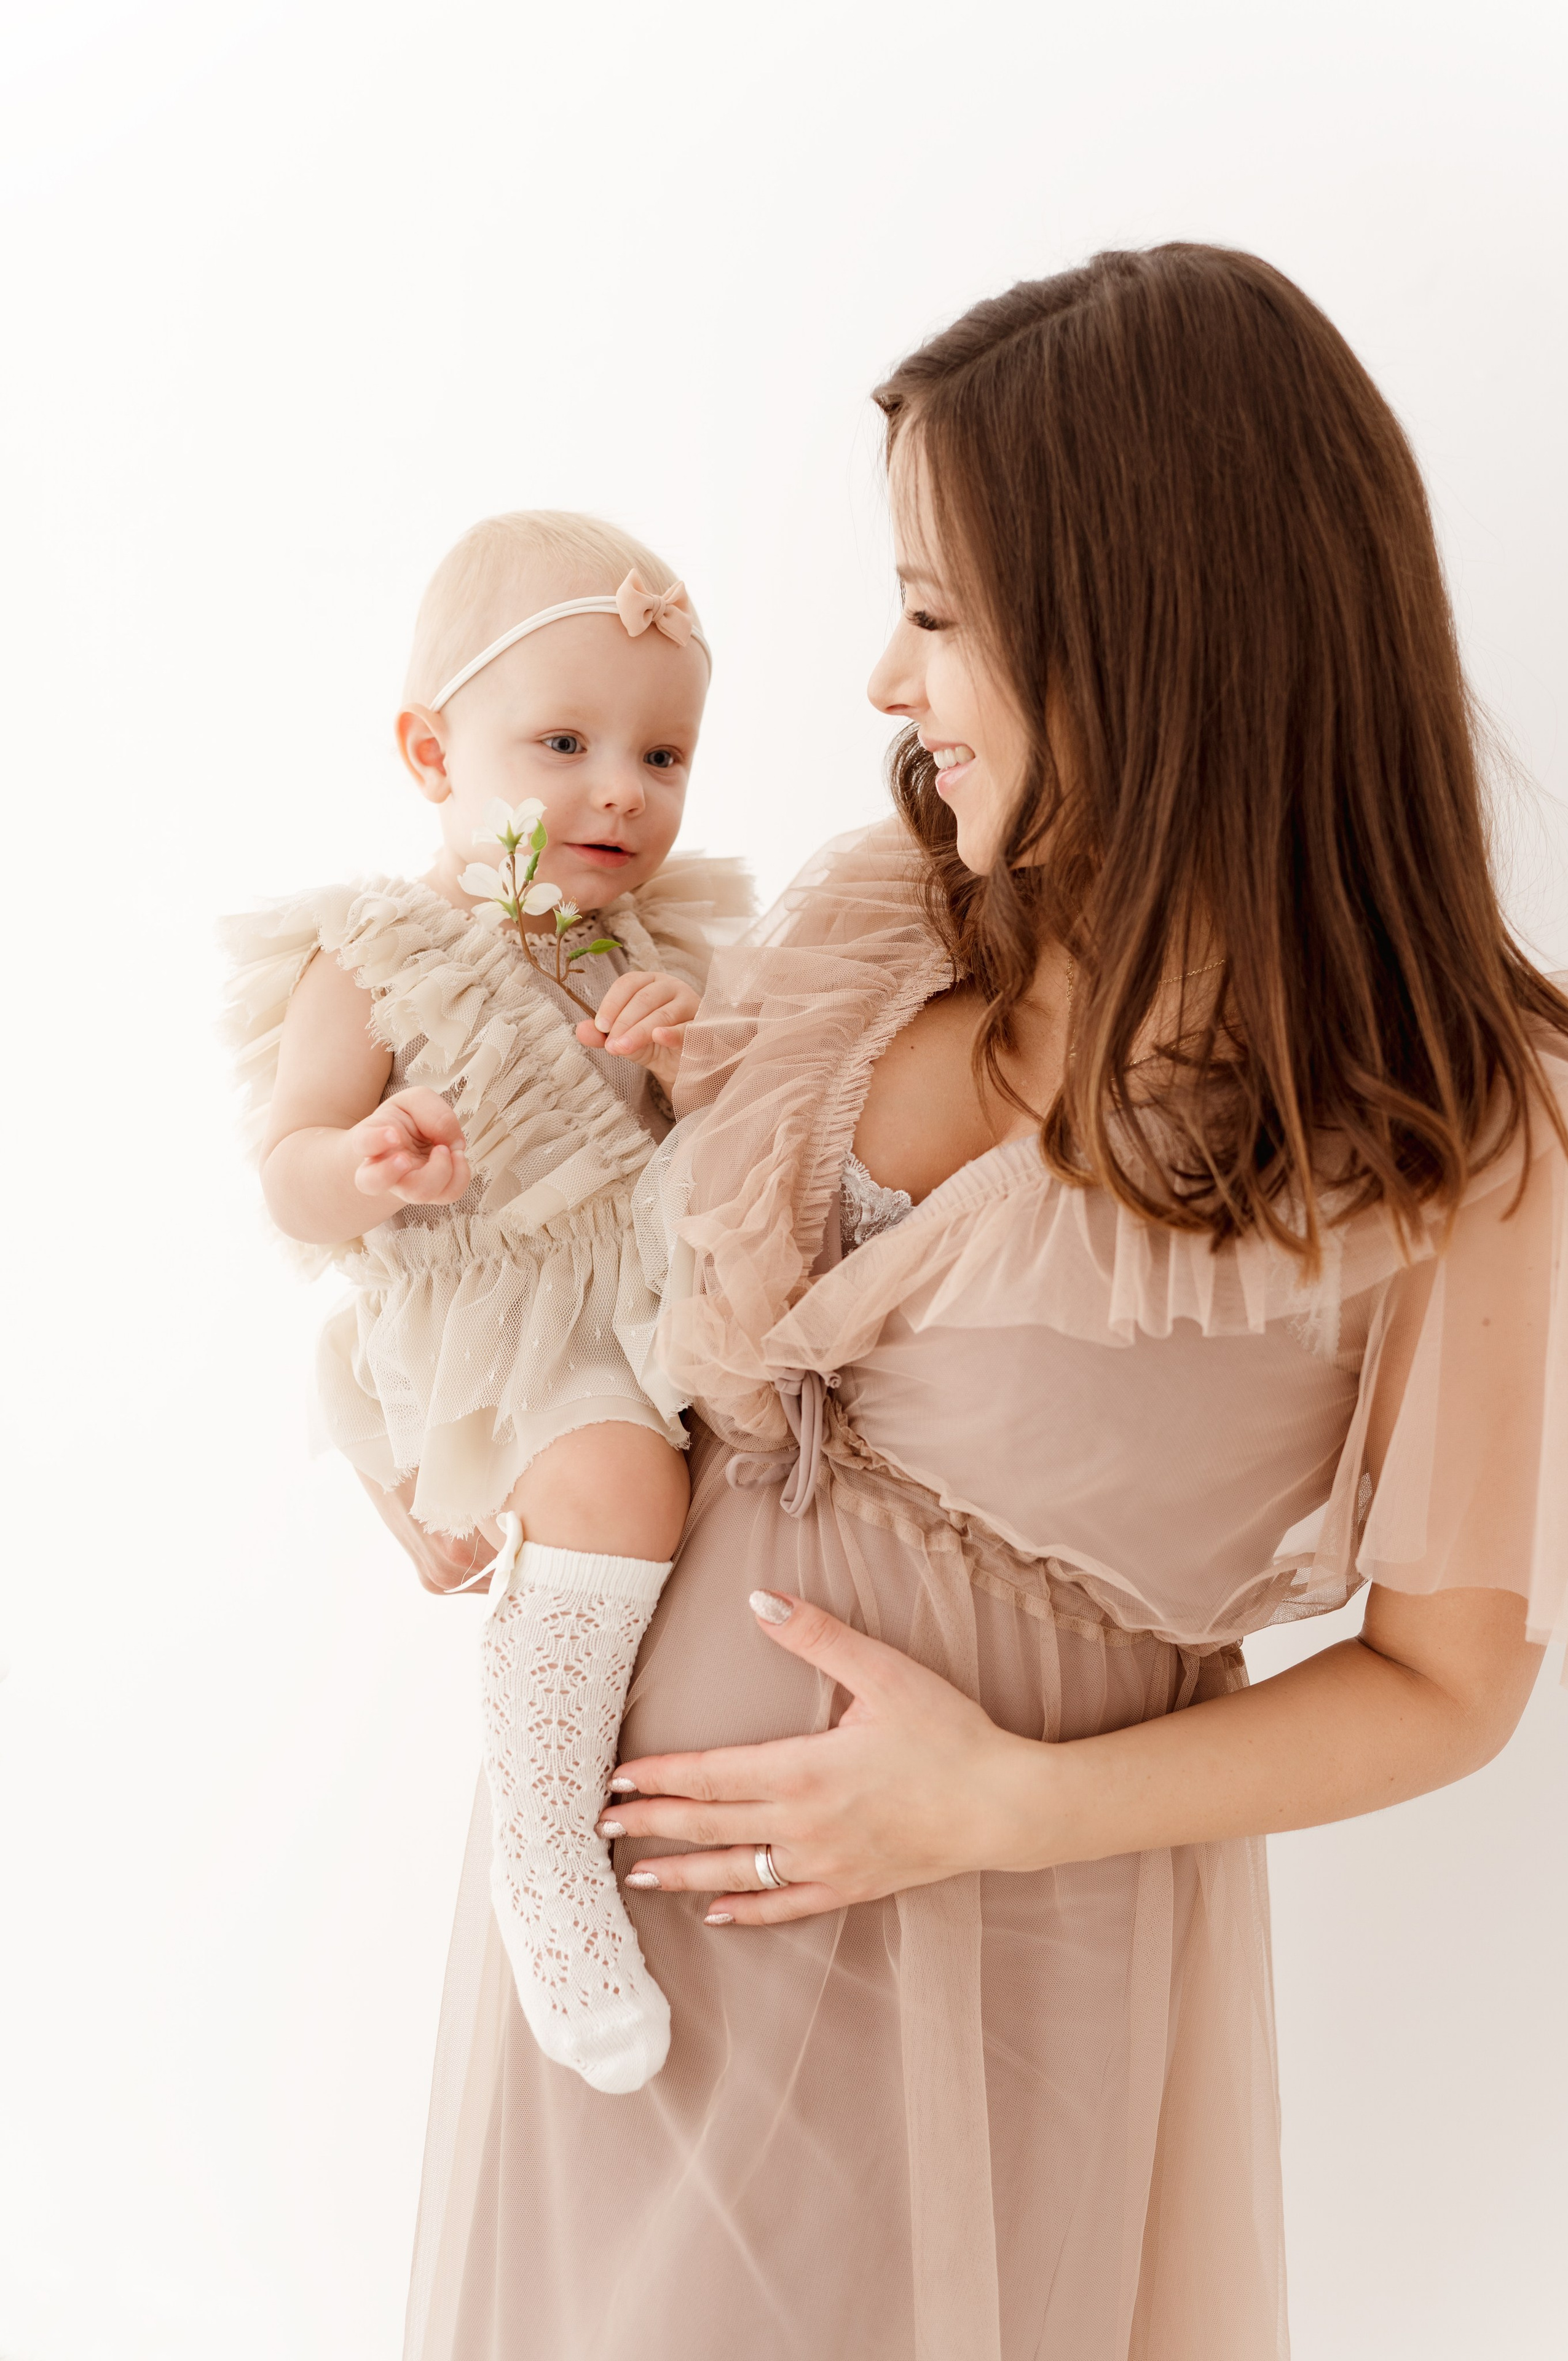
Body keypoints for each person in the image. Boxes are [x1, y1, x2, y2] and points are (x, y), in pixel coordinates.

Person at [392, 253, 1568, 2360]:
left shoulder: (1447, 1123)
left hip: (997, 1948)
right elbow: (618, 1299)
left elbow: (1451, 1682)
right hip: (620, 1930)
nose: (882, 681)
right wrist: (451, 1431)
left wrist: (1007, 1804)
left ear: (1143, 620)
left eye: (937, 613)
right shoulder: (887, 929)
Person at [221, 509, 751, 2095]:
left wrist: (688, 1063)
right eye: (566, 744)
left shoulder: (657, 949)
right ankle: (545, 1850)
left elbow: (721, 1150)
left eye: (662, 756)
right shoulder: (379, 954)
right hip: (499, 1308)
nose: (621, 790)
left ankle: (375, 1418)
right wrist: (367, 1164)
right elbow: (287, 1170)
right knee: (622, 1485)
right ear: (431, 754)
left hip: (634, 1286)